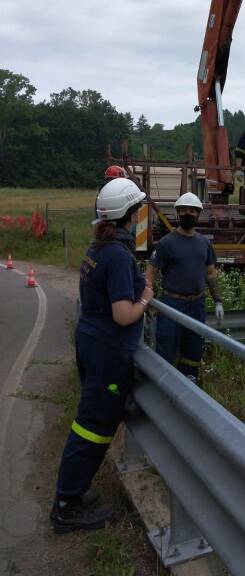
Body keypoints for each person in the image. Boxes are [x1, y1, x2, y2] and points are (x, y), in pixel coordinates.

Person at [51, 178, 154, 534]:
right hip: (108, 350)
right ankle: (66, 505)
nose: (140, 216)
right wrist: (146, 298)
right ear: (129, 215)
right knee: (93, 425)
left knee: (92, 421)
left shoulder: (97, 250)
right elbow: (123, 314)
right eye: (137, 211)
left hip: (92, 343)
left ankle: (74, 494)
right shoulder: (118, 256)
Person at [145, 192, 224, 384]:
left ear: (198, 214)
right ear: (178, 213)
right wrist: (149, 299)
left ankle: (190, 385)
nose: (188, 214)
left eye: (192, 211)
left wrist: (218, 300)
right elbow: (151, 271)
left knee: (193, 348)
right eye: (184, 210)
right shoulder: (166, 243)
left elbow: (211, 273)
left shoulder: (204, 243)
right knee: (166, 347)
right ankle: (163, 387)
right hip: (172, 304)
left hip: (196, 304)